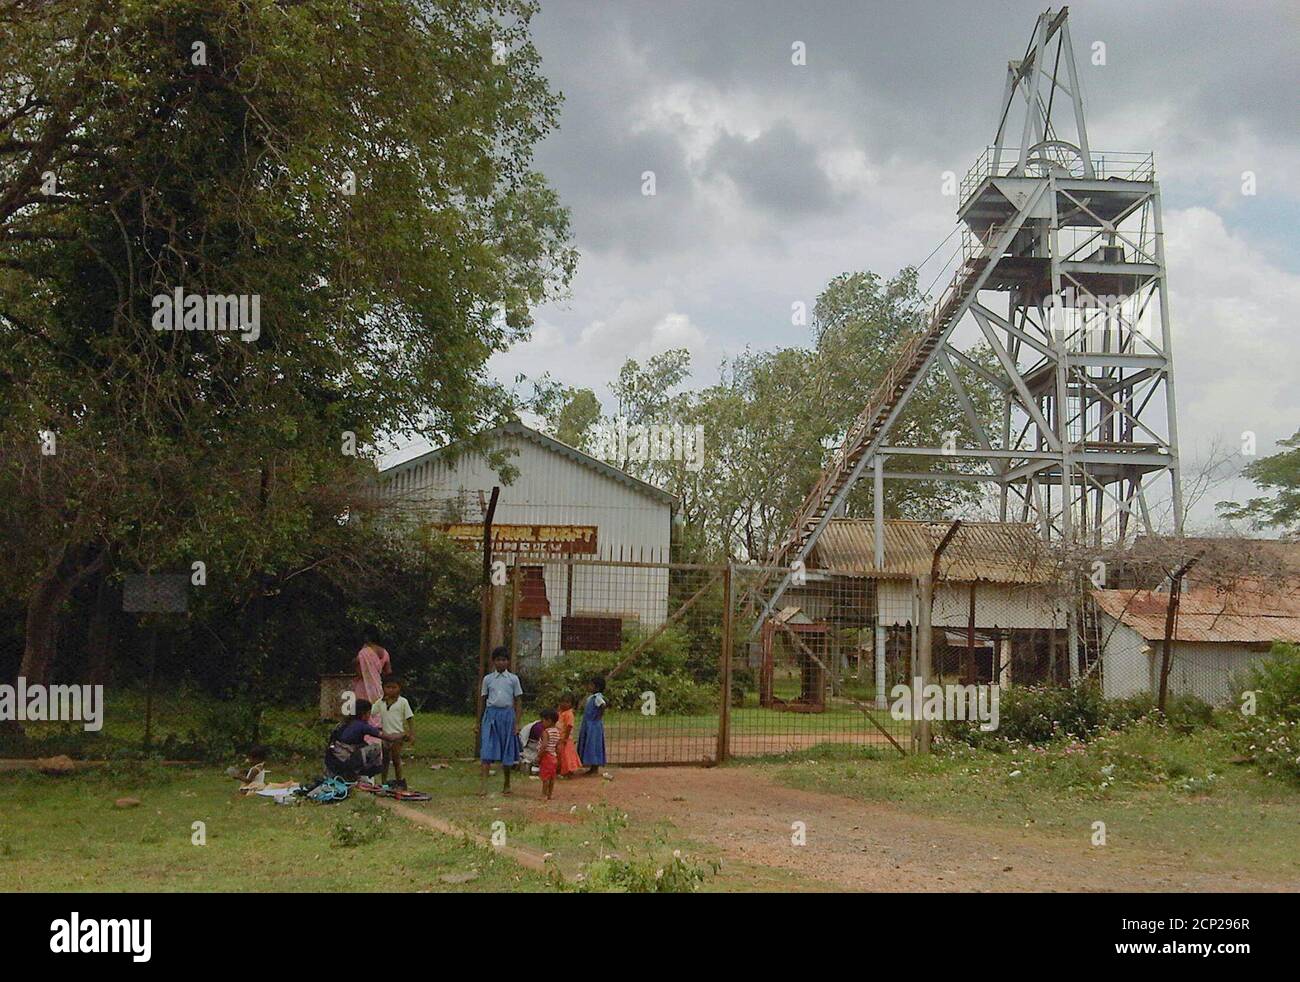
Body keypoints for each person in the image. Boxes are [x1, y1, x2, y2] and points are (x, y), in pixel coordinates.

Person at [478, 646, 523, 796]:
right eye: (498, 660)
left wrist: (517, 723)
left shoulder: (513, 679)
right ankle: (483, 786)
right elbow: (483, 700)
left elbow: (518, 700)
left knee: (507, 750)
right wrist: (478, 722)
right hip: (491, 716)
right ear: (493, 662)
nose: (501, 663)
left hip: (507, 716)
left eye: (504, 660)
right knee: (487, 749)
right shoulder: (488, 679)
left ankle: (507, 783)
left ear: (508, 662)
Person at [324, 699, 405, 781]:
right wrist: (404, 734)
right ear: (364, 714)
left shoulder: (344, 723)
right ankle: (366, 772)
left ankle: (353, 773)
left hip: (332, 760)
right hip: (344, 760)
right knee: (376, 748)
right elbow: (389, 738)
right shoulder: (362, 726)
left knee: (364, 745)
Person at [351, 627, 392, 744]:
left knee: (362, 712)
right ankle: (378, 739)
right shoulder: (384, 652)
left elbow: (360, 672)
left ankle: (364, 738)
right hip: (378, 686)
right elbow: (388, 672)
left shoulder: (364, 653)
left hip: (364, 687)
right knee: (377, 714)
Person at [373, 675, 414, 788]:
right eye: (388, 687)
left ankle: (399, 781)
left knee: (396, 759)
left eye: (394, 687)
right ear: (383, 688)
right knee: (385, 760)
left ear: (399, 688)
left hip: (398, 735)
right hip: (385, 736)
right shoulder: (380, 702)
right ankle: (384, 782)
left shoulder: (403, 702)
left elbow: (409, 717)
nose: (391, 690)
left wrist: (411, 733)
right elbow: (371, 711)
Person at [577, 676, 607, 776]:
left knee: (593, 745)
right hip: (589, 724)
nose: (589, 686)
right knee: (589, 744)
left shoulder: (597, 697)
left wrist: (598, 716)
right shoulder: (591, 697)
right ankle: (591, 767)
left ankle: (595, 768)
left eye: (591, 685)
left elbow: (603, 705)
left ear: (597, 688)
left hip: (593, 725)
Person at [537, 709, 561, 800]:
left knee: (545, 777)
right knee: (552, 777)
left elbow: (544, 745)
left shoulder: (546, 732)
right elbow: (558, 747)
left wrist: (539, 755)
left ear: (549, 720)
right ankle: (550, 794)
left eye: (543, 720)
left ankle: (544, 794)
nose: (542, 723)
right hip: (554, 756)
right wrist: (558, 758)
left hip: (546, 756)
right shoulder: (557, 732)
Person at [556, 695, 582, 778]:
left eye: (567, 702)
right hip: (559, 737)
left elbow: (569, 726)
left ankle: (568, 771)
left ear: (571, 704)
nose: (564, 704)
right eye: (562, 701)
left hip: (566, 739)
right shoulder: (560, 713)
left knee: (567, 756)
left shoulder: (569, 714)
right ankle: (561, 770)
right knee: (560, 755)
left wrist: (565, 738)